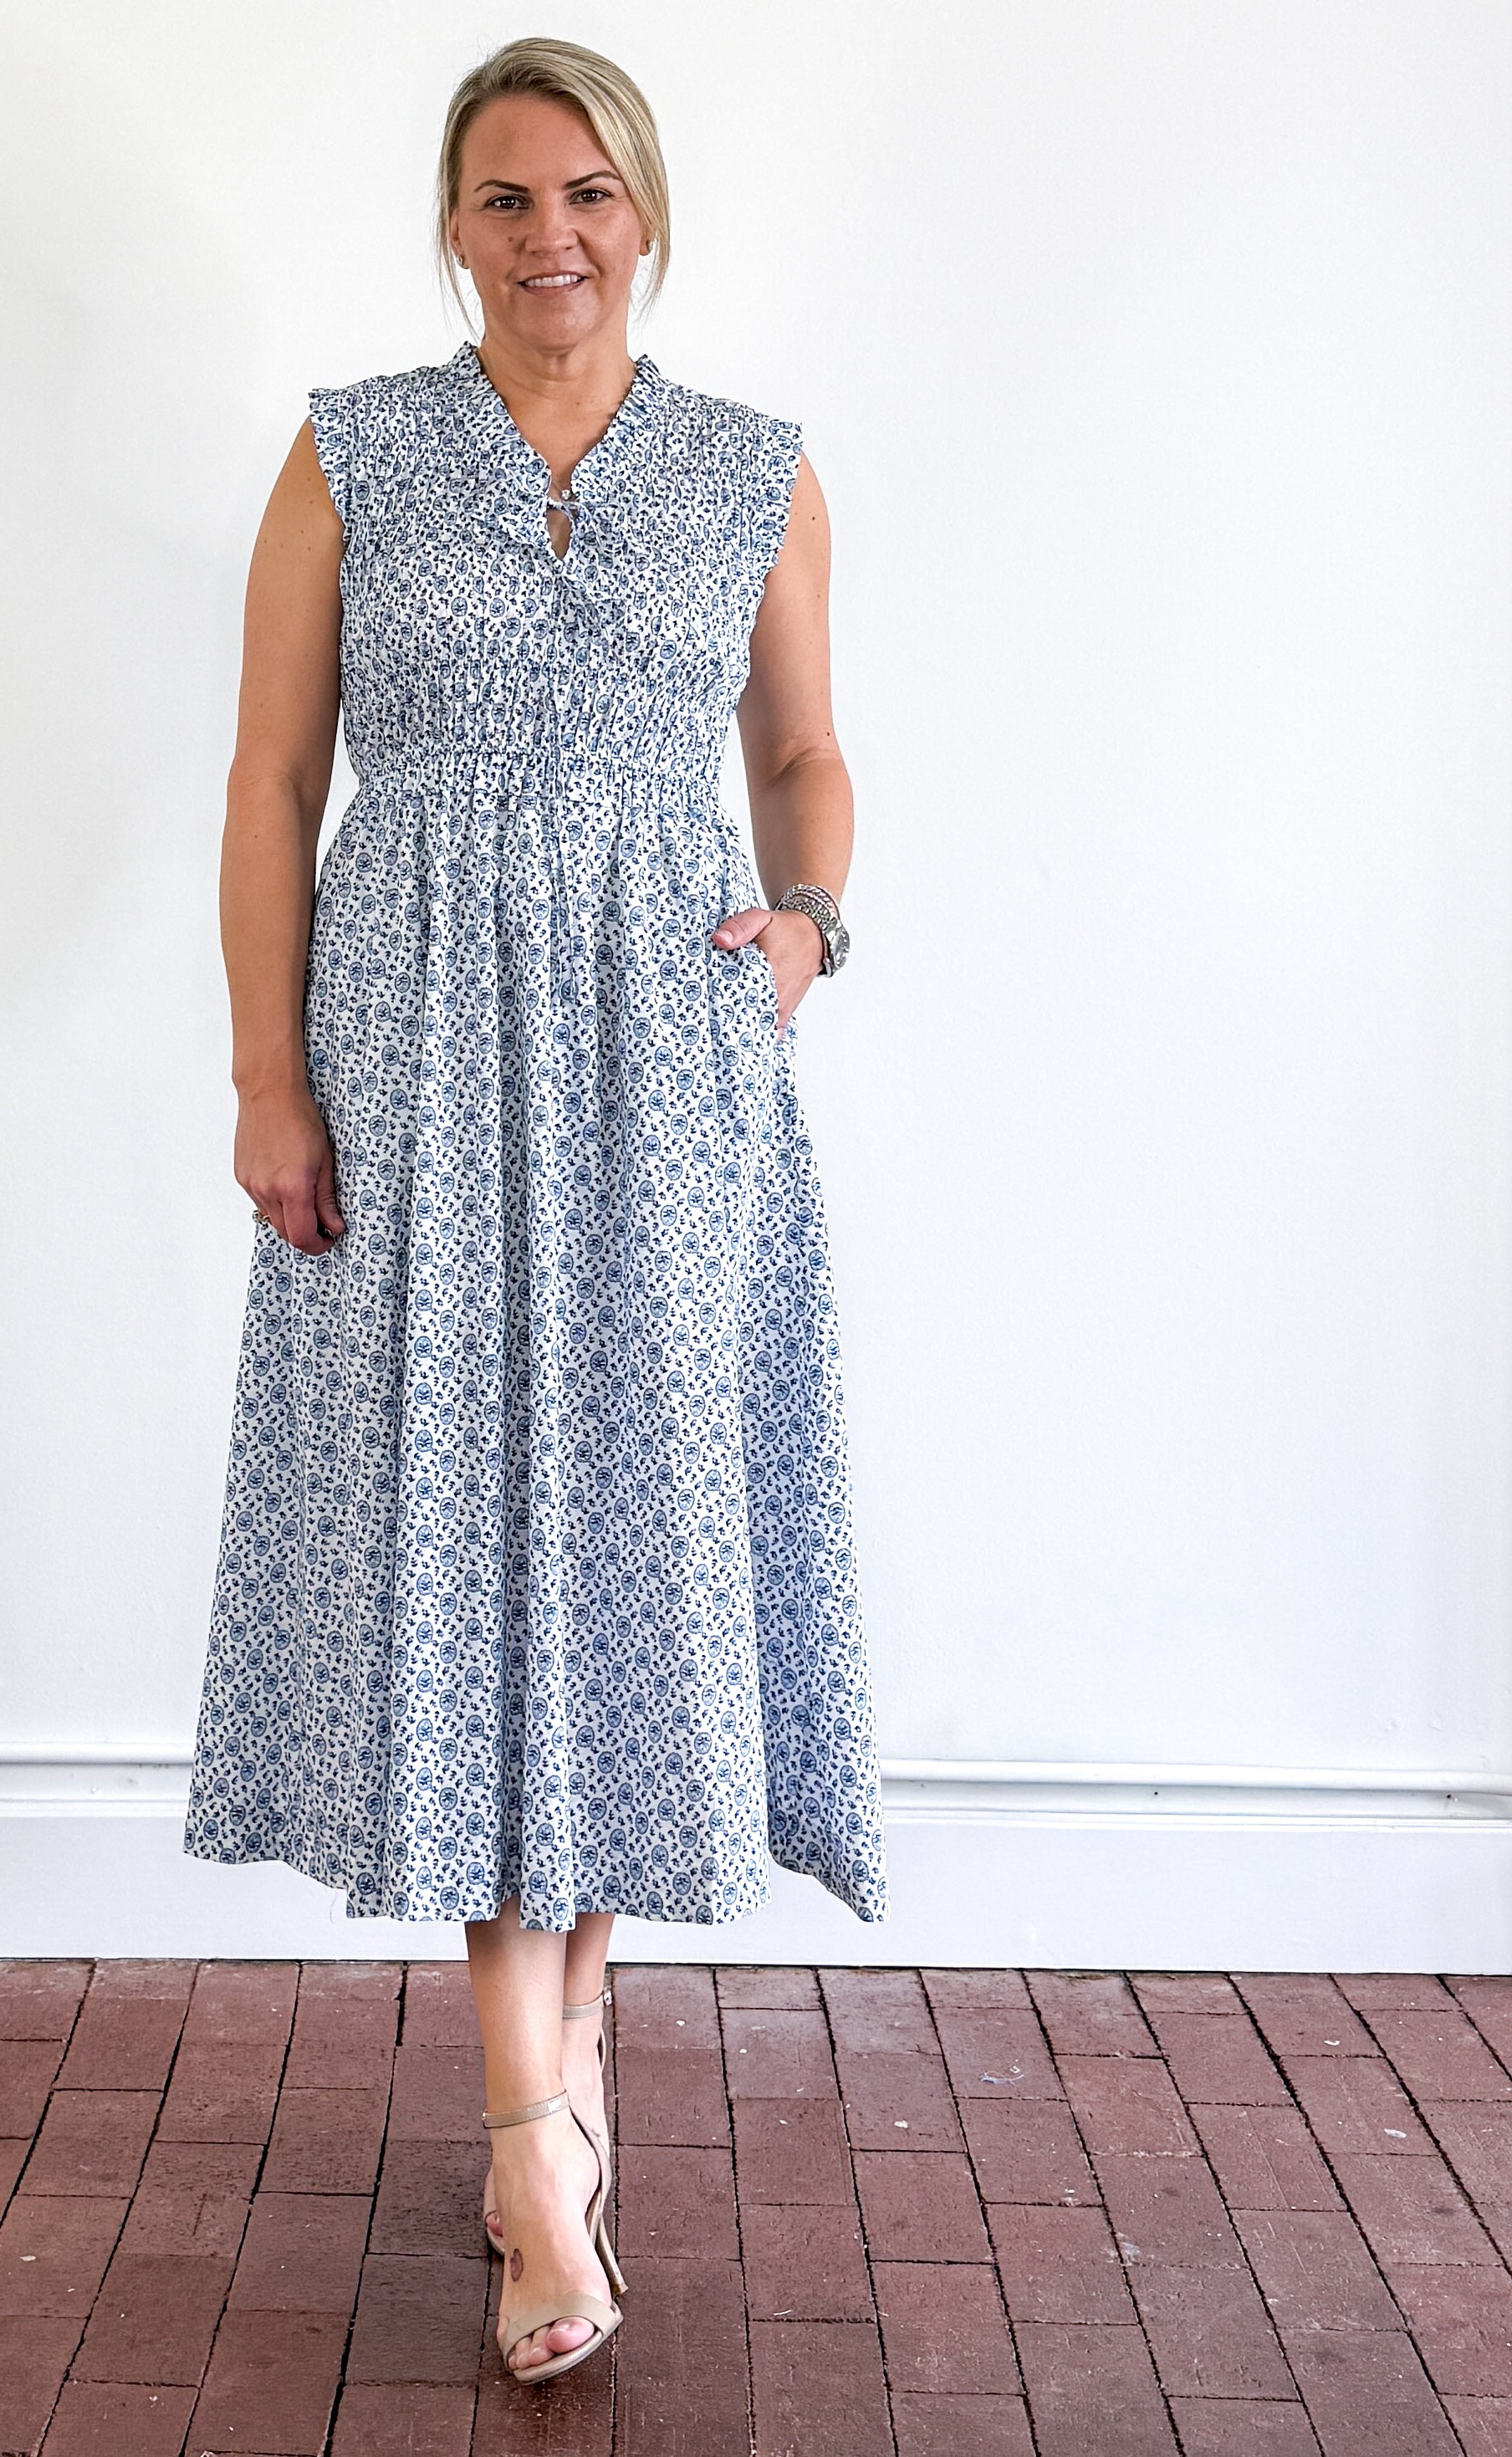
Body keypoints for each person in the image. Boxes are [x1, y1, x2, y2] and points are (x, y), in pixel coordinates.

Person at [186, 34, 888, 2385]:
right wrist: (268, 1075)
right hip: (411, 1067)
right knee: (468, 1547)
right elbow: (273, 777)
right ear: (452, 229)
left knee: (625, 1550)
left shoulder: (755, 468)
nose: (550, 235)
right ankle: (528, 2151)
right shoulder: (352, 453)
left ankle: (554, 2084)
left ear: (646, 212)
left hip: (667, 1080)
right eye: (505, 199)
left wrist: (805, 930)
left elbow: (805, 750)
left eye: (588, 192)